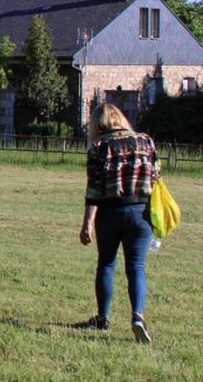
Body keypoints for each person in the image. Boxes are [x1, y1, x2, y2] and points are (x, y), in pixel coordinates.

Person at [79, 103, 160, 344]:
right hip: (142, 212)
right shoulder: (146, 141)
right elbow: (156, 174)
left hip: (110, 212)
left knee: (106, 264)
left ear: (97, 123)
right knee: (136, 267)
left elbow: (94, 189)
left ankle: (103, 318)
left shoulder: (99, 146)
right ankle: (138, 316)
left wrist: (87, 224)